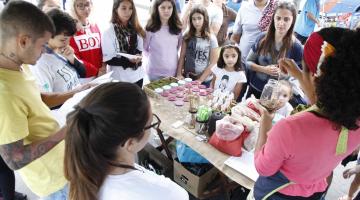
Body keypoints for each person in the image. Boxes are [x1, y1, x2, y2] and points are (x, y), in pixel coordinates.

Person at [252, 28, 360, 199]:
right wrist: (299, 73)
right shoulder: (355, 122)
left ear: (315, 77)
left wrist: (266, 120)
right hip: (315, 192)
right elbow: (321, 100)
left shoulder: (289, 129)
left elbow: (263, 168)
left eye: (304, 70)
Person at [64, 82, 189, 200]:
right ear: (130, 143)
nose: (153, 127)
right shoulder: (169, 194)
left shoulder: (82, 177)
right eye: (151, 124)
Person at [0, 1, 68, 199]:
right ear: (23, 41)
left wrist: (77, 92)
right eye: (42, 45)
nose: (46, 51)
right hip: (53, 181)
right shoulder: (4, 92)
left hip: (63, 163)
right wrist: (65, 131)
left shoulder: (19, 63)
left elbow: (39, 100)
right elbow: (14, 159)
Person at [30, 9, 92, 108]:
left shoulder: (62, 50)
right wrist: (76, 92)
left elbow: (83, 73)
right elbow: (45, 101)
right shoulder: (40, 63)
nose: (67, 43)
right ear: (48, 36)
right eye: (63, 40)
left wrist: (72, 59)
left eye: (69, 39)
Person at [246, 1, 302, 99]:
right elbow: (248, 62)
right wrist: (264, 69)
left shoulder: (296, 47)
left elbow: (300, 76)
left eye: (286, 19)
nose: (281, 23)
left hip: (276, 97)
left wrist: (285, 74)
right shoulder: (262, 38)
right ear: (273, 18)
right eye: (278, 18)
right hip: (254, 90)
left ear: (292, 21)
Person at [102, 0, 146, 88]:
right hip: (119, 79)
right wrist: (129, 61)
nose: (128, 12)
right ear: (115, 9)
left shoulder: (136, 28)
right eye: (123, 8)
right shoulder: (108, 32)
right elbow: (109, 59)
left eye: (130, 8)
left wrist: (138, 56)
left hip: (138, 76)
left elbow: (139, 50)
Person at [176, 5, 218, 85]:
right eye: (194, 19)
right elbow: (182, 56)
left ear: (205, 19)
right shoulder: (187, 35)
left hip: (204, 80)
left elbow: (213, 63)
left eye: (199, 18)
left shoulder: (211, 39)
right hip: (187, 77)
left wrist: (200, 80)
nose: (196, 22)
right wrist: (179, 74)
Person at [144, 0, 182, 81]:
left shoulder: (178, 28)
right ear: (157, 8)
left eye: (169, 7)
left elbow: (177, 48)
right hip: (154, 73)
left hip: (172, 72)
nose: (166, 11)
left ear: (173, 8)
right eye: (163, 7)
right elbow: (145, 48)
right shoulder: (150, 28)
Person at [67, 0, 104, 81]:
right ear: (74, 8)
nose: (86, 8)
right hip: (83, 78)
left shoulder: (95, 25)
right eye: (80, 5)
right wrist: (96, 71)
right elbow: (75, 57)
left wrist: (103, 66)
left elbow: (101, 50)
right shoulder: (71, 30)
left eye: (87, 4)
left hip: (101, 75)